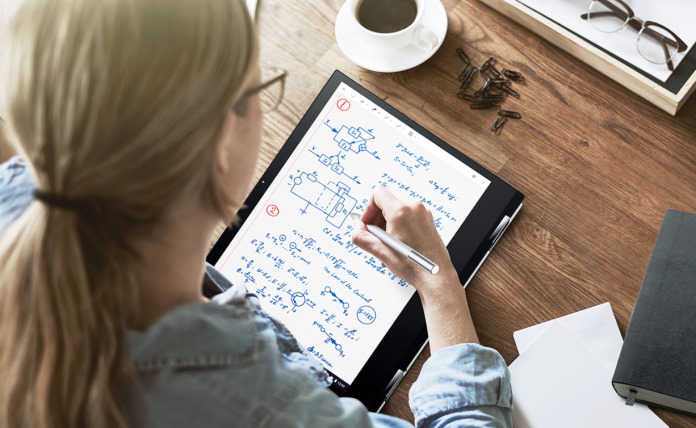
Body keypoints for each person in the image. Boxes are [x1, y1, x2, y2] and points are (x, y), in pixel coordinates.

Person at [0, 0, 513, 427]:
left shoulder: (22, 189)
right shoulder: (265, 410)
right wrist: (439, 281)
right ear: (223, 139)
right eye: (260, 88)